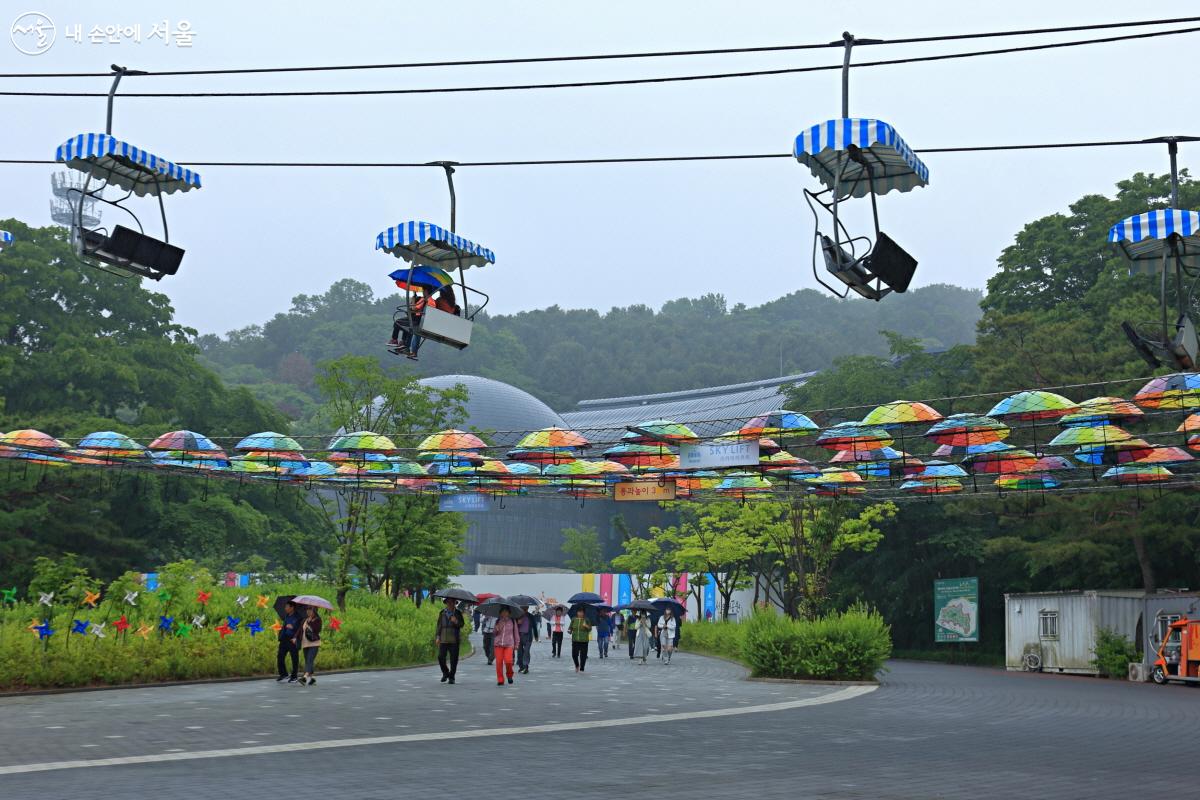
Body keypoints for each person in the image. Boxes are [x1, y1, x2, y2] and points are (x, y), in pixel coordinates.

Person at [389, 285, 434, 358]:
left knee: (398, 322)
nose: (422, 292)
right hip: (420, 319)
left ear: (426, 291)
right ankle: (404, 345)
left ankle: (396, 340)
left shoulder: (425, 300)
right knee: (409, 328)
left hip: (418, 320)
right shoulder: (431, 301)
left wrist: (413, 300)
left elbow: (414, 308)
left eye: (423, 291)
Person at [435, 598, 465, 684]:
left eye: (452, 602)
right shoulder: (442, 613)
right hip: (443, 638)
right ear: (446, 603)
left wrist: (455, 621)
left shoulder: (458, 613)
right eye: (448, 602)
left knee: (454, 659)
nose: (450, 604)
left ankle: (452, 677)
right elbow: (439, 626)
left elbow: (461, 624)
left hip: (454, 639)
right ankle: (445, 673)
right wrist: (437, 637)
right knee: (440, 657)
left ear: (455, 603)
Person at [492, 607, 519, 686]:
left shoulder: (513, 621)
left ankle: (509, 675)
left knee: (508, 661)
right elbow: (494, 633)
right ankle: (500, 679)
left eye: (506, 612)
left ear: (509, 613)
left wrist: (517, 644)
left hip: (509, 644)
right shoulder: (498, 621)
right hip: (498, 644)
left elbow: (516, 633)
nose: (504, 613)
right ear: (500, 613)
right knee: (499, 662)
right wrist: (496, 629)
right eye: (503, 612)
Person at [276, 600, 301, 683]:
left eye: (287, 606)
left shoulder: (298, 617)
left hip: (292, 639)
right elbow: (285, 626)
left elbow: (300, 629)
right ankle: (283, 674)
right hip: (284, 639)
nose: (285, 608)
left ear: (292, 607)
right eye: (285, 606)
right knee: (280, 656)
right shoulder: (286, 616)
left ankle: (294, 676)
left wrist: (293, 627)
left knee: (294, 658)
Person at [299, 605, 322, 685]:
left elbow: (317, 630)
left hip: (314, 643)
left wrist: (310, 623)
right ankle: (312, 678)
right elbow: (300, 630)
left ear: (315, 611)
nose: (308, 611)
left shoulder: (318, 620)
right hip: (305, 643)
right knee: (308, 661)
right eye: (307, 609)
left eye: (310, 610)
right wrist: (295, 638)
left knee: (310, 659)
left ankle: (305, 677)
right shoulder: (305, 620)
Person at [569, 608, 593, 673]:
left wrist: (586, 626)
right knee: (574, 655)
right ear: (577, 612)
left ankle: (582, 668)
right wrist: (570, 630)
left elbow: (590, 629)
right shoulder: (574, 619)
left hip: (584, 640)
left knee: (583, 655)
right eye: (579, 612)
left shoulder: (586, 619)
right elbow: (570, 627)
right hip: (575, 640)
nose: (580, 613)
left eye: (582, 612)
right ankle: (577, 665)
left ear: (584, 613)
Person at [516, 608, 534, 674]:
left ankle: (526, 666)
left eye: (525, 608)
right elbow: (514, 625)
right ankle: (521, 667)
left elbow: (534, 626)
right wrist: (517, 622)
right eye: (523, 608)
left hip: (528, 636)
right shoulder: (517, 616)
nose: (524, 610)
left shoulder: (530, 616)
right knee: (520, 652)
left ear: (528, 608)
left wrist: (536, 635)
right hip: (519, 636)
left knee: (526, 651)